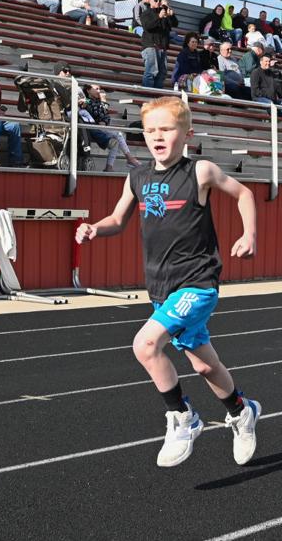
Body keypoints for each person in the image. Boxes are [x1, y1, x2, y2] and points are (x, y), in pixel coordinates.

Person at [75, 96, 260, 468]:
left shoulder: (200, 172)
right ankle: (242, 412)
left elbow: (244, 194)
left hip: (198, 283)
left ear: (186, 134)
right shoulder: (137, 177)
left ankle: (183, 417)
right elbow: (117, 219)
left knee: (145, 345)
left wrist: (249, 234)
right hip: (161, 288)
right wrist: (96, 227)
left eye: (166, 129)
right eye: (150, 130)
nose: (157, 136)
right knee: (205, 366)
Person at [80, 83, 141, 172]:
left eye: (99, 89)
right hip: (92, 128)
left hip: (100, 127)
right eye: (96, 89)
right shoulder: (87, 101)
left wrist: (104, 120)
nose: (99, 91)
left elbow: (105, 115)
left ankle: (109, 166)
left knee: (115, 142)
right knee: (119, 134)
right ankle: (130, 158)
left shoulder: (97, 101)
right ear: (88, 90)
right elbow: (99, 113)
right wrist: (104, 101)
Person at [139, 0, 176, 89]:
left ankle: (157, 94)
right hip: (150, 45)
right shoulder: (146, 13)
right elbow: (147, 26)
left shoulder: (164, 13)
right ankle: (147, 94)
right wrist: (159, 17)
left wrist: (171, 15)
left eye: (160, 0)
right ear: (150, 1)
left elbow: (174, 24)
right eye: (156, 0)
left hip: (162, 46)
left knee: (162, 72)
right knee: (151, 71)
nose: (158, 2)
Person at [250, 53, 282, 117]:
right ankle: (273, 117)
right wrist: (269, 95)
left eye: (269, 61)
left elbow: (278, 83)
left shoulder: (271, 73)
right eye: (266, 61)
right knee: (270, 104)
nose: (268, 63)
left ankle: (276, 116)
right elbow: (255, 91)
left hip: (272, 99)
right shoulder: (255, 72)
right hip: (259, 98)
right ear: (261, 62)